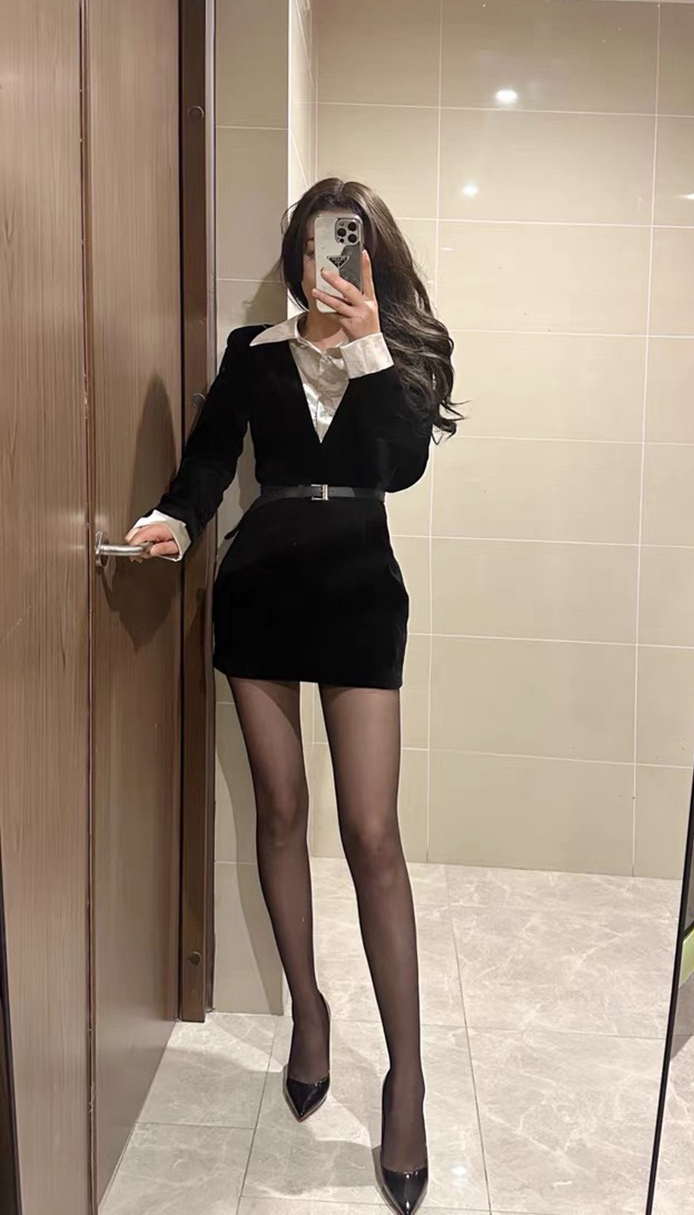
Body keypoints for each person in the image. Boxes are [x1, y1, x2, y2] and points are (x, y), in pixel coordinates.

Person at [125, 178, 460, 1215]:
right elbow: (207, 462)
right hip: (262, 582)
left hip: (359, 588)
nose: (329, 264)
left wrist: (366, 348)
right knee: (278, 811)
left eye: (345, 246)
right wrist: (171, 523)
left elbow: (402, 466)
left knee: (372, 834)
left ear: (371, 257)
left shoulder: (405, 352)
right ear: (295, 254)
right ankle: (308, 1014)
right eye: (315, 245)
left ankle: (406, 1080)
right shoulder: (254, 352)